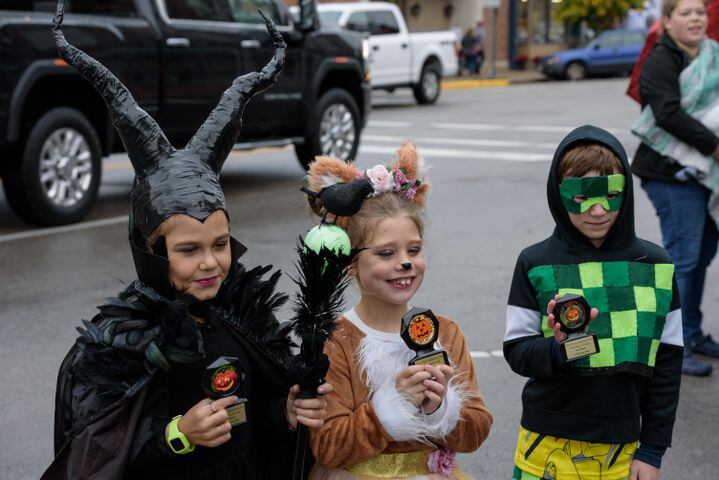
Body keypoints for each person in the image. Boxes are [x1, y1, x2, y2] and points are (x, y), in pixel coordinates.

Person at [42, 2, 330, 479]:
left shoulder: (245, 320)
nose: (211, 263)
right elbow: (99, 454)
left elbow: (260, 414)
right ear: (152, 253)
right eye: (189, 250)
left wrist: (286, 412)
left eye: (220, 244)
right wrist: (178, 433)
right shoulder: (120, 345)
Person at [304, 144, 493, 479]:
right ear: (351, 264)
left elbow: (476, 430)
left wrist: (439, 410)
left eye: (413, 250)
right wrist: (389, 409)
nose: (405, 262)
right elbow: (327, 445)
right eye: (386, 253)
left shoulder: (445, 332)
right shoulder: (337, 340)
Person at [504, 125, 683, 480]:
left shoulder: (655, 267)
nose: (598, 211)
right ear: (559, 194)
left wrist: (652, 450)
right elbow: (517, 350)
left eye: (610, 195)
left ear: (625, 192)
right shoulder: (534, 263)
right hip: (544, 444)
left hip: (622, 450)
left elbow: (667, 364)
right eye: (581, 195)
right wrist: (558, 350)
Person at [631, 0, 719, 376]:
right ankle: (674, 348)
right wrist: (714, 145)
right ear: (667, 23)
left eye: (699, 11)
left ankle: (694, 333)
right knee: (682, 261)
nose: (695, 18)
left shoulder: (713, 55)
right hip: (671, 172)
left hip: (705, 172)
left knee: (701, 256)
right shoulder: (661, 60)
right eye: (685, 12)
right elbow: (666, 113)